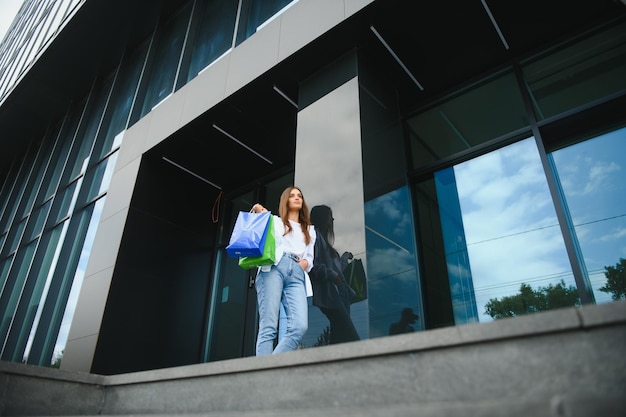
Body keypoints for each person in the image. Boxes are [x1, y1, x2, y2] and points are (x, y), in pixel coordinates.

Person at [251, 186, 316, 355]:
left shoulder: (310, 230)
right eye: (292, 195)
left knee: (300, 326)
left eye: (299, 196)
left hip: (296, 273)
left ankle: (270, 367)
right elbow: (261, 230)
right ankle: (263, 374)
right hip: (274, 268)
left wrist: (304, 264)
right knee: (269, 326)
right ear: (285, 200)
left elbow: (310, 258)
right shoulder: (275, 221)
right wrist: (260, 212)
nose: (297, 198)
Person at [309, 205, 360, 344]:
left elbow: (337, 271)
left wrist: (344, 258)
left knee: (340, 337)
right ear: (323, 218)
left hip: (340, 292)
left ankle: (334, 364)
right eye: (329, 216)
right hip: (331, 295)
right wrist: (332, 276)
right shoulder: (314, 236)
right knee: (350, 336)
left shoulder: (325, 243)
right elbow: (312, 265)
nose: (332, 219)